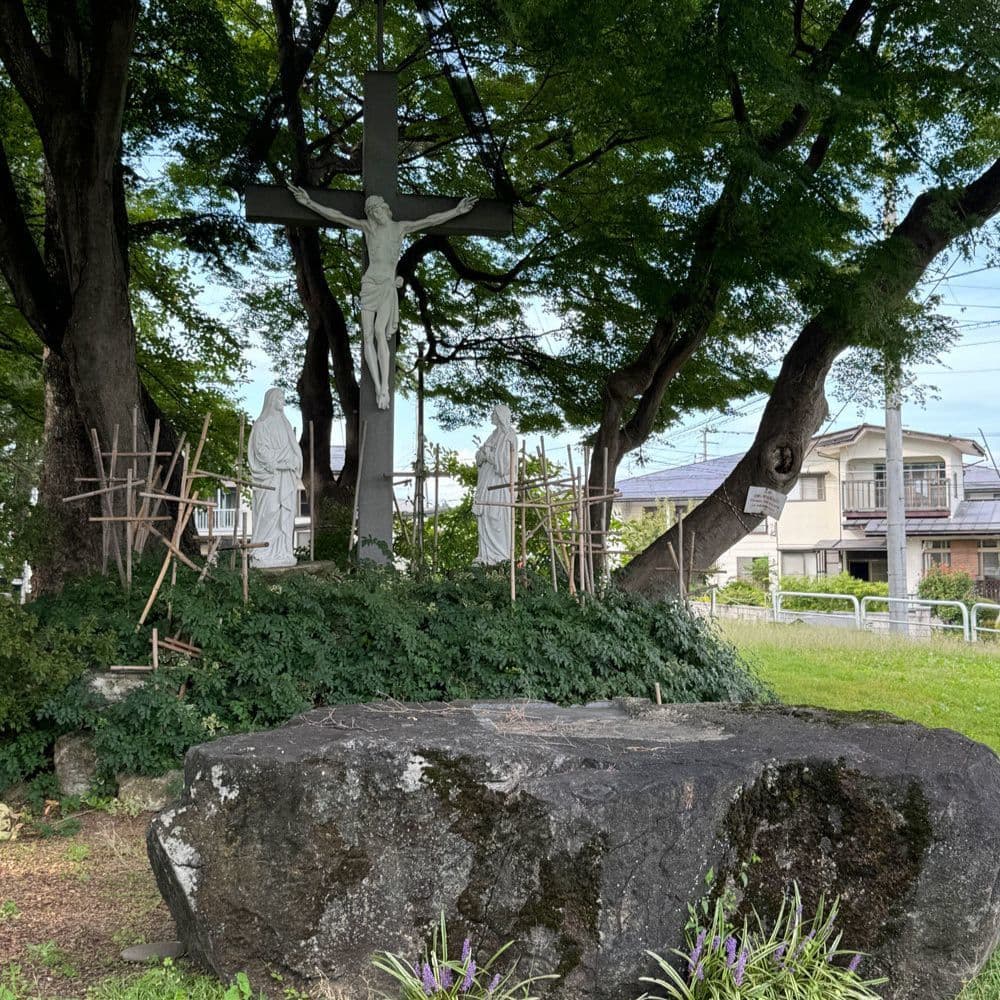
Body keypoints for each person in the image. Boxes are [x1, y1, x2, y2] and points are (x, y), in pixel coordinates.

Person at [287, 183, 478, 409]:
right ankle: (378, 386)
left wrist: (457, 211)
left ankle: (384, 388)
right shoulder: (369, 228)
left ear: (386, 209)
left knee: (380, 333)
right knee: (367, 336)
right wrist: (309, 202)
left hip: (387, 285)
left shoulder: (400, 228)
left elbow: (429, 220)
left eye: (377, 210)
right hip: (369, 284)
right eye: (371, 212)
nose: (375, 215)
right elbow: (338, 216)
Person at [247, 388, 302, 568]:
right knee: (269, 511)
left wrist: (291, 460)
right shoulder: (261, 424)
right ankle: (262, 550)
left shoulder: (285, 424)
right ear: (271, 400)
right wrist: (281, 461)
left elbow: (294, 450)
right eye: (280, 398)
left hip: (285, 478)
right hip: (269, 478)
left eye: (284, 398)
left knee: (283, 514)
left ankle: (282, 550)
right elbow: (261, 451)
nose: (283, 402)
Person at [472, 404, 518, 565]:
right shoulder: (493, 434)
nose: (491, 416)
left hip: (500, 485)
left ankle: (500, 557)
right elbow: (479, 455)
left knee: (496, 517)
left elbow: (504, 465)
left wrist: (488, 454)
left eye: (494, 413)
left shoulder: (509, 435)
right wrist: (483, 455)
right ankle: (485, 556)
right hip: (486, 483)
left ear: (500, 415)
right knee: (485, 516)